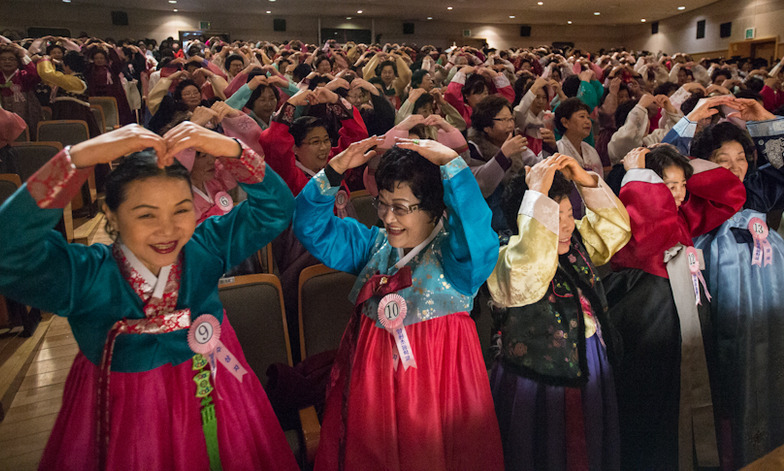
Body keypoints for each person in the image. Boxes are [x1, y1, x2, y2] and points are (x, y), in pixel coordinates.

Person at [0, 123, 299, 471]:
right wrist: (77, 160)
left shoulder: (205, 247)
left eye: (181, 210)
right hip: (127, 412)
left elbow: (276, 209)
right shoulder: (86, 276)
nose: (168, 230)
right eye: (146, 215)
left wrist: (231, 148)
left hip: (218, 389)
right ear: (111, 214)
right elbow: (8, 252)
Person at [292, 137, 504, 470]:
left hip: (437, 388)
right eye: (382, 203)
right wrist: (333, 172)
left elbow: (478, 235)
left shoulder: (457, 261)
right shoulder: (373, 247)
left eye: (401, 208)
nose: (388, 218)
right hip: (372, 388)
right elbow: (311, 227)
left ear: (433, 209)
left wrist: (452, 164)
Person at [605, 145, 746, 470]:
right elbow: (654, 220)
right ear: (650, 188)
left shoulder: (679, 215)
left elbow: (732, 194)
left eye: (683, 185)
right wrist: (639, 173)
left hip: (684, 320)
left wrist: (676, 161)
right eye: (669, 186)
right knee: (654, 410)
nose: (680, 193)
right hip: (652, 322)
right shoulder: (641, 220)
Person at [488, 154, 631, 470]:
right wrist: (537, 193)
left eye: (568, 214)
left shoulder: (576, 242)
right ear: (527, 218)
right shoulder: (505, 258)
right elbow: (531, 269)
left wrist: (585, 180)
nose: (566, 225)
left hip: (590, 357)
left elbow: (615, 229)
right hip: (536, 377)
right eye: (554, 217)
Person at [687, 100, 784, 467]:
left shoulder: (757, 188)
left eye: (741, 156)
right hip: (719, 280)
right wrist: (688, 122)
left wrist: (766, 122)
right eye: (722, 157)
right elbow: (657, 174)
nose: (734, 166)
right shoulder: (696, 195)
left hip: (769, 278)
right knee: (724, 361)